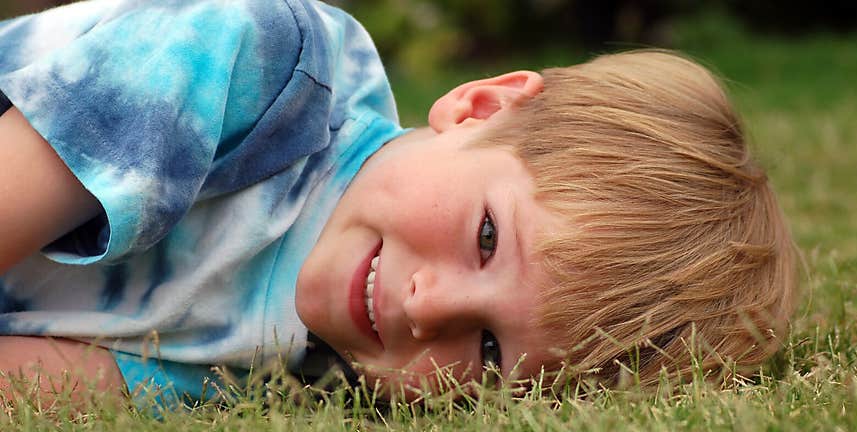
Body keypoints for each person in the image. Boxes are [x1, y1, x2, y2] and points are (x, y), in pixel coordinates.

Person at [0, 0, 797, 410]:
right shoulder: (265, 70)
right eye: (487, 238)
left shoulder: (281, 370)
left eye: (489, 351)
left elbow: (38, 387)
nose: (427, 304)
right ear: (484, 105)